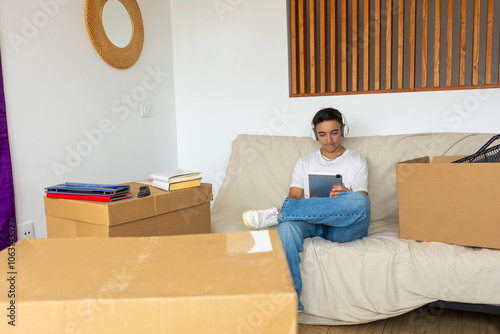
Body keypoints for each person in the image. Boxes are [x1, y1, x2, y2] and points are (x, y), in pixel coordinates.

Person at [242, 107, 371, 312]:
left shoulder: (357, 160)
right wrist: (297, 206)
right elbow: (294, 196)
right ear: (315, 135)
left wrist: (346, 193)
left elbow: (361, 201)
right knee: (286, 229)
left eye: (334, 132)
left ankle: (279, 213)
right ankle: (290, 302)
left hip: (342, 227)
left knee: (360, 202)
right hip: (312, 222)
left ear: (343, 131)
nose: (329, 139)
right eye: (322, 134)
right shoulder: (305, 163)